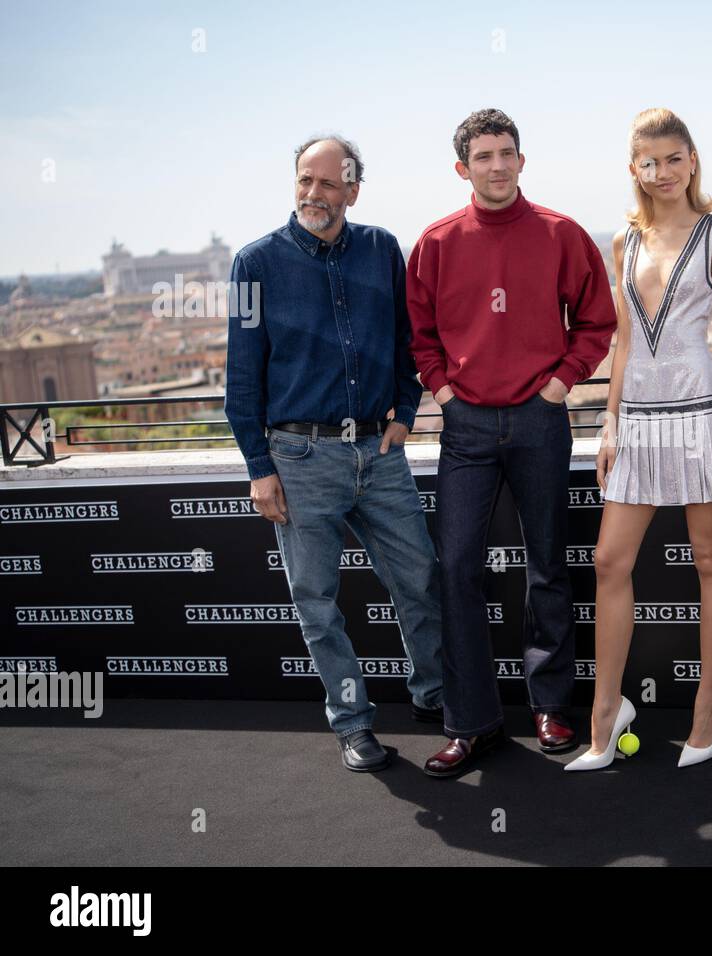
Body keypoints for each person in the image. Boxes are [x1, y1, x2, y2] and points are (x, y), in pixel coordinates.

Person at [407, 109, 618, 779]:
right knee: (457, 569)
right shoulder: (436, 243)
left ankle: (551, 706)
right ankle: (472, 723)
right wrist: (441, 391)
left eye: (507, 153)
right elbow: (418, 334)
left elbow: (597, 321)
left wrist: (558, 386)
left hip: (539, 419)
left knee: (547, 565)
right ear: (462, 168)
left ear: (522, 161)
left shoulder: (561, 234)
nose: (497, 165)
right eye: (484, 155)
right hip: (465, 425)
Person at [223, 134, 444, 773]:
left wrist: (404, 410)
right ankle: (352, 725)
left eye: (327, 183)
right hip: (297, 458)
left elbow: (409, 341)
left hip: (379, 452)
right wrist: (259, 468)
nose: (313, 194)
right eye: (303, 181)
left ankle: (433, 696)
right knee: (317, 604)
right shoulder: (252, 263)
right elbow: (241, 376)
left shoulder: (382, 250)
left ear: (352, 187)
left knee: (421, 580)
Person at [565, 108, 712, 772]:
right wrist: (610, 424)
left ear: (693, 159)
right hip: (640, 422)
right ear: (634, 170)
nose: (663, 172)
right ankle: (606, 711)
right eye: (649, 162)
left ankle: (709, 709)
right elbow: (621, 344)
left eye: (674, 158)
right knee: (609, 562)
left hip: (705, 415)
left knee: (711, 562)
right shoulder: (622, 241)